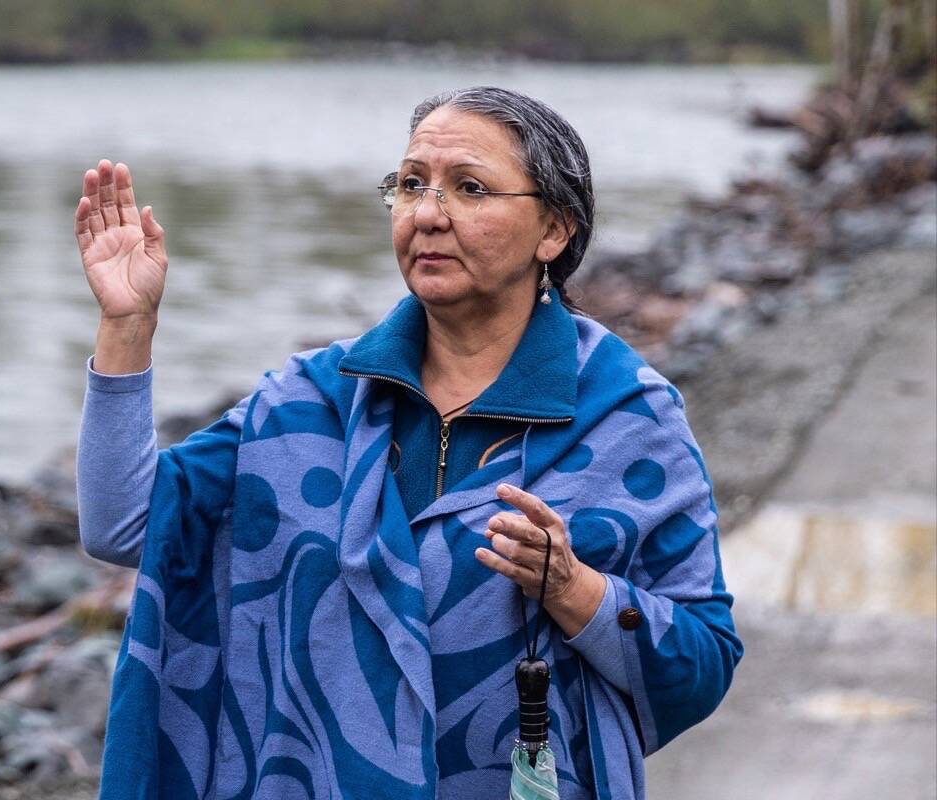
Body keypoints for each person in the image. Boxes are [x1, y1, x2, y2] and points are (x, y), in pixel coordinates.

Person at [73, 86, 742, 800]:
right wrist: (126, 327)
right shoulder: (310, 401)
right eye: (412, 184)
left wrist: (574, 590)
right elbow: (125, 523)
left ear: (553, 230)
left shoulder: (624, 418)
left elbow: (701, 662)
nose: (427, 213)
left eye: (470, 188)